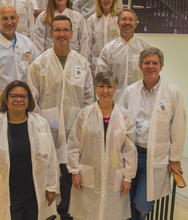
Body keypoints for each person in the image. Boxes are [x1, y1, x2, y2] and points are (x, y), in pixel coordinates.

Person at [28, 15, 94, 220]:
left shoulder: (81, 63)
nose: (62, 34)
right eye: (58, 30)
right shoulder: (39, 64)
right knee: (48, 168)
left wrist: (84, 126)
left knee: (69, 170)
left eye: (66, 30)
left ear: (72, 34)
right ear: (51, 34)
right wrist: (40, 128)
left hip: (75, 127)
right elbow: (32, 98)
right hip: (47, 128)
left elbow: (89, 97)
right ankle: (48, 211)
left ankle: (66, 211)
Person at [0, 80, 58, 220]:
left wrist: (51, 187)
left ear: (29, 100)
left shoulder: (40, 124)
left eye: (23, 96)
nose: (18, 99)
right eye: (13, 96)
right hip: (5, 192)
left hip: (34, 192)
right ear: (6, 99)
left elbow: (51, 158)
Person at [119, 47, 186, 220]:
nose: (151, 66)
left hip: (156, 158)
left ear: (161, 66)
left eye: (155, 63)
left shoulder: (172, 93)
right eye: (147, 63)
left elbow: (178, 126)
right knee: (126, 199)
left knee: (142, 203)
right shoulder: (129, 91)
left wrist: (175, 158)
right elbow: (119, 122)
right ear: (140, 66)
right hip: (131, 155)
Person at [67, 71, 137, 220]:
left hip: (115, 178)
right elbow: (74, 144)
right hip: (88, 177)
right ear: (95, 88)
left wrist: (128, 177)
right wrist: (75, 171)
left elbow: (129, 149)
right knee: (87, 214)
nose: (105, 91)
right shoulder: (84, 115)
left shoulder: (124, 116)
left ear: (115, 88)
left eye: (109, 86)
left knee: (112, 215)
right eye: (101, 86)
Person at [96, 9, 149, 101]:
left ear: (136, 24)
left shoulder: (144, 48)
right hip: (115, 101)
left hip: (139, 100)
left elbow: (149, 75)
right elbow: (101, 77)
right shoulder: (108, 49)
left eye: (130, 20)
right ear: (118, 23)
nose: (127, 22)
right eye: (124, 19)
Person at [87, 0, 123, 72]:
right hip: (97, 64)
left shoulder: (118, 19)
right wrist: (88, 65)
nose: (106, 1)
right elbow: (88, 44)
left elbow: (122, 43)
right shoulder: (92, 19)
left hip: (116, 64)